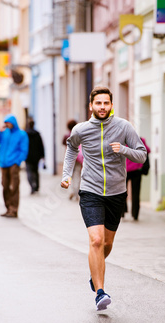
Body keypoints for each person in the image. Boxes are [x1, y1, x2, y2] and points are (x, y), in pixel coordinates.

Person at [61, 86, 146, 310]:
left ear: (111, 105)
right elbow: (71, 148)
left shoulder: (123, 126)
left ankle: (94, 271)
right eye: (98, 103)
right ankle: (100, 292)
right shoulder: (81, 129)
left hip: (116, 193)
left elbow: (142, 154)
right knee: (96, 240)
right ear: (91, 106)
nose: (102, 107)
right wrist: (67, 175)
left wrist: (124, 150)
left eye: (106, 103)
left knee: (107, 243)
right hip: (90, 191)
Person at [0, 114, 29, 218]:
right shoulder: (4, 133)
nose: (7, 125)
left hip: (13, 164)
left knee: (14, 186)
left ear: (13, 123)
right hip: (3, 164)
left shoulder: (21, 134)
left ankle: (14, 209)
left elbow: (24, 150)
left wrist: (17, 161)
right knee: (5, 185)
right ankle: (8, 208)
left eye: (8, 123)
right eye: (6, 123)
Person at [123, 137, 151, 221]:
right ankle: (135, 214)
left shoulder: (122, 139)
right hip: (137, 169)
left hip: (125, 170)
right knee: (136, 193)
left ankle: (122, 212)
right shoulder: (140, 140)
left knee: (122, 191)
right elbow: (147, 150)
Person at [63, 120, 83, 201]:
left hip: (70, 159)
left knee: (69, 175)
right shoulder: (79, 135)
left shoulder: (66, 136)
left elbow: (66, 148)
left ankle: (71, 191)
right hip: (78, 158)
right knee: (77, 175)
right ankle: (76, 192)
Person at [25, 118, 45, 194]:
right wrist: (43, 156)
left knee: (29, 172)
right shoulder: (37, 134)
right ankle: (37, 186)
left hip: (28, 156)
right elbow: (41, 146)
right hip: (36, 157)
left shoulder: (25, 134)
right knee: (36, 171)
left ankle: (32, 186)